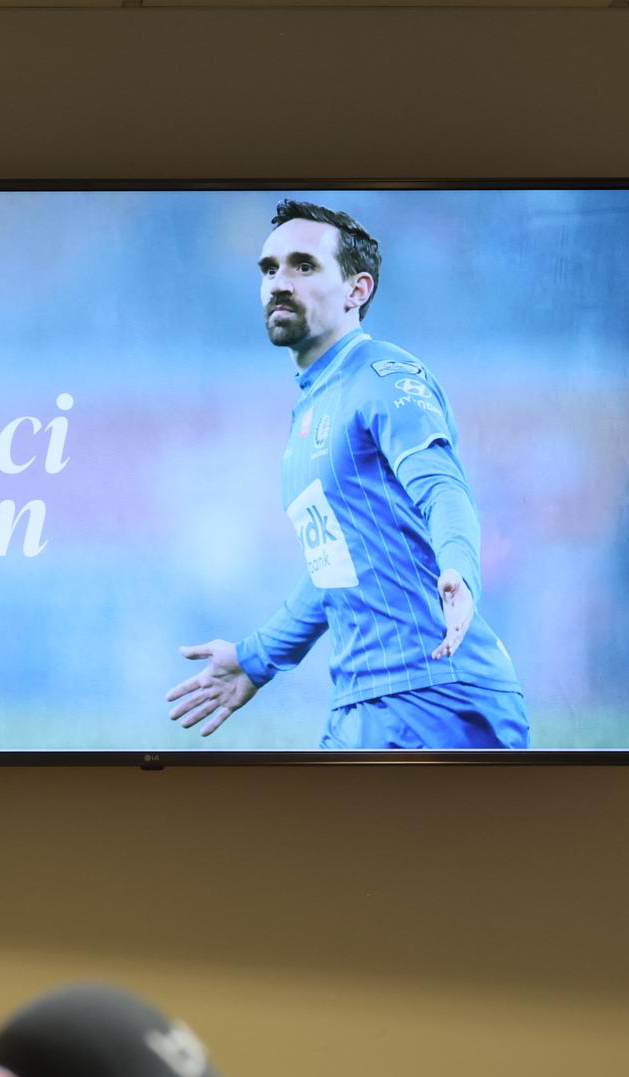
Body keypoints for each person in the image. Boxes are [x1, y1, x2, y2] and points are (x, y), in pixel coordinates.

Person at [166, 200, 528, 749]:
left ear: (358, 290)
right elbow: (337, 569)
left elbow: (443, 487)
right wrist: (255, 658)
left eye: (303, 266)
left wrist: (459, 568)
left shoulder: (386, 376)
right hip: (363, 701)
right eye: (269, 269)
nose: (279, 283)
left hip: (434, 695)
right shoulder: (310, 410)